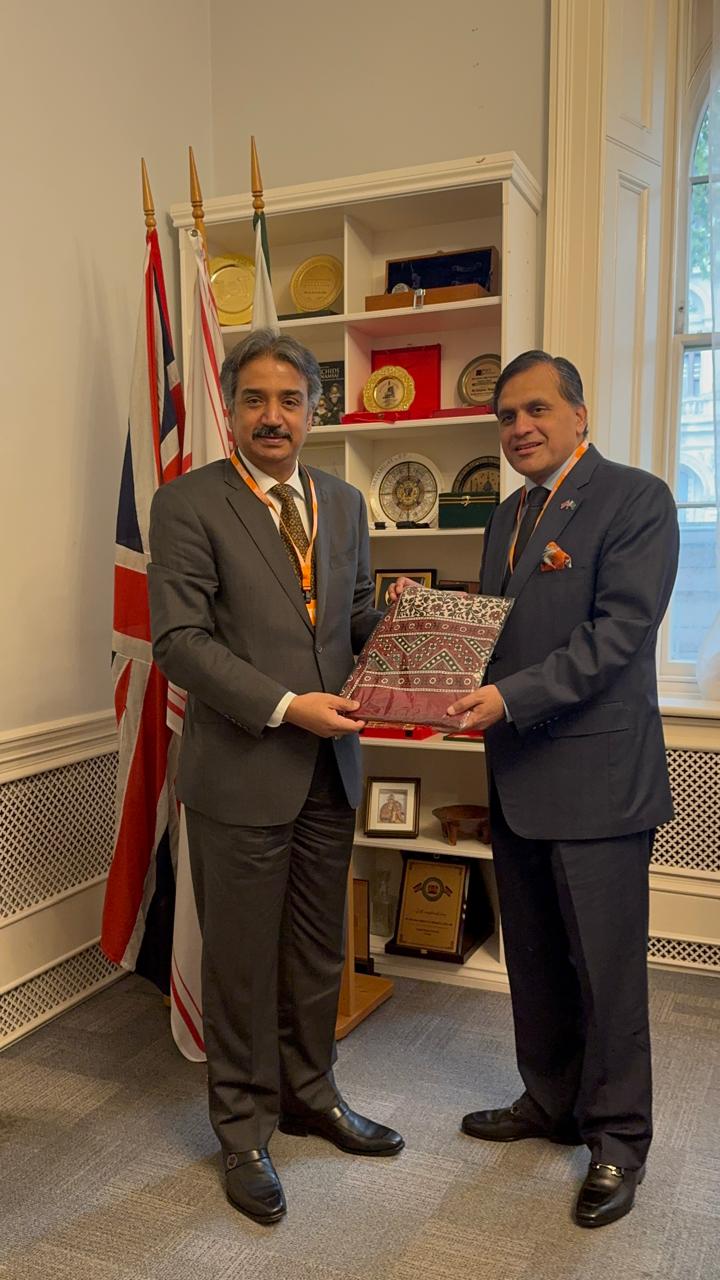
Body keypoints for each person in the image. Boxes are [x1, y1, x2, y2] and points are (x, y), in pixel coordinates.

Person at [391, 350, 679, 1229]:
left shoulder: (635, 499)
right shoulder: (507, 515)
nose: (520, 428)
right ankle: (550, 1101)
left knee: (606, 973)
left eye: (538, 409)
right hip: (516, 777)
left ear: (579, 414)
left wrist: (507, 698)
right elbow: (499, 630)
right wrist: (424, 627)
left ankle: (618, 1140)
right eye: (507, 416)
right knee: (538, 961)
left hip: (598, 782)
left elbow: (616, 636)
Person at [148, 329, 404, 1226]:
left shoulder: (343, 501)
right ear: (230, 408)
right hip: (242, 770)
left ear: (313, 411)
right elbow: (180, 642)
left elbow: (352, 616)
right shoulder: (187, 503)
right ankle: (244, 1130)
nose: (272, 416)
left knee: (317, 952)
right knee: (242, 965)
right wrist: (289, 705)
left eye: (289, 400)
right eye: (254, 399)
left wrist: (403, 625)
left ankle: (311, 1096)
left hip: (330, 771)